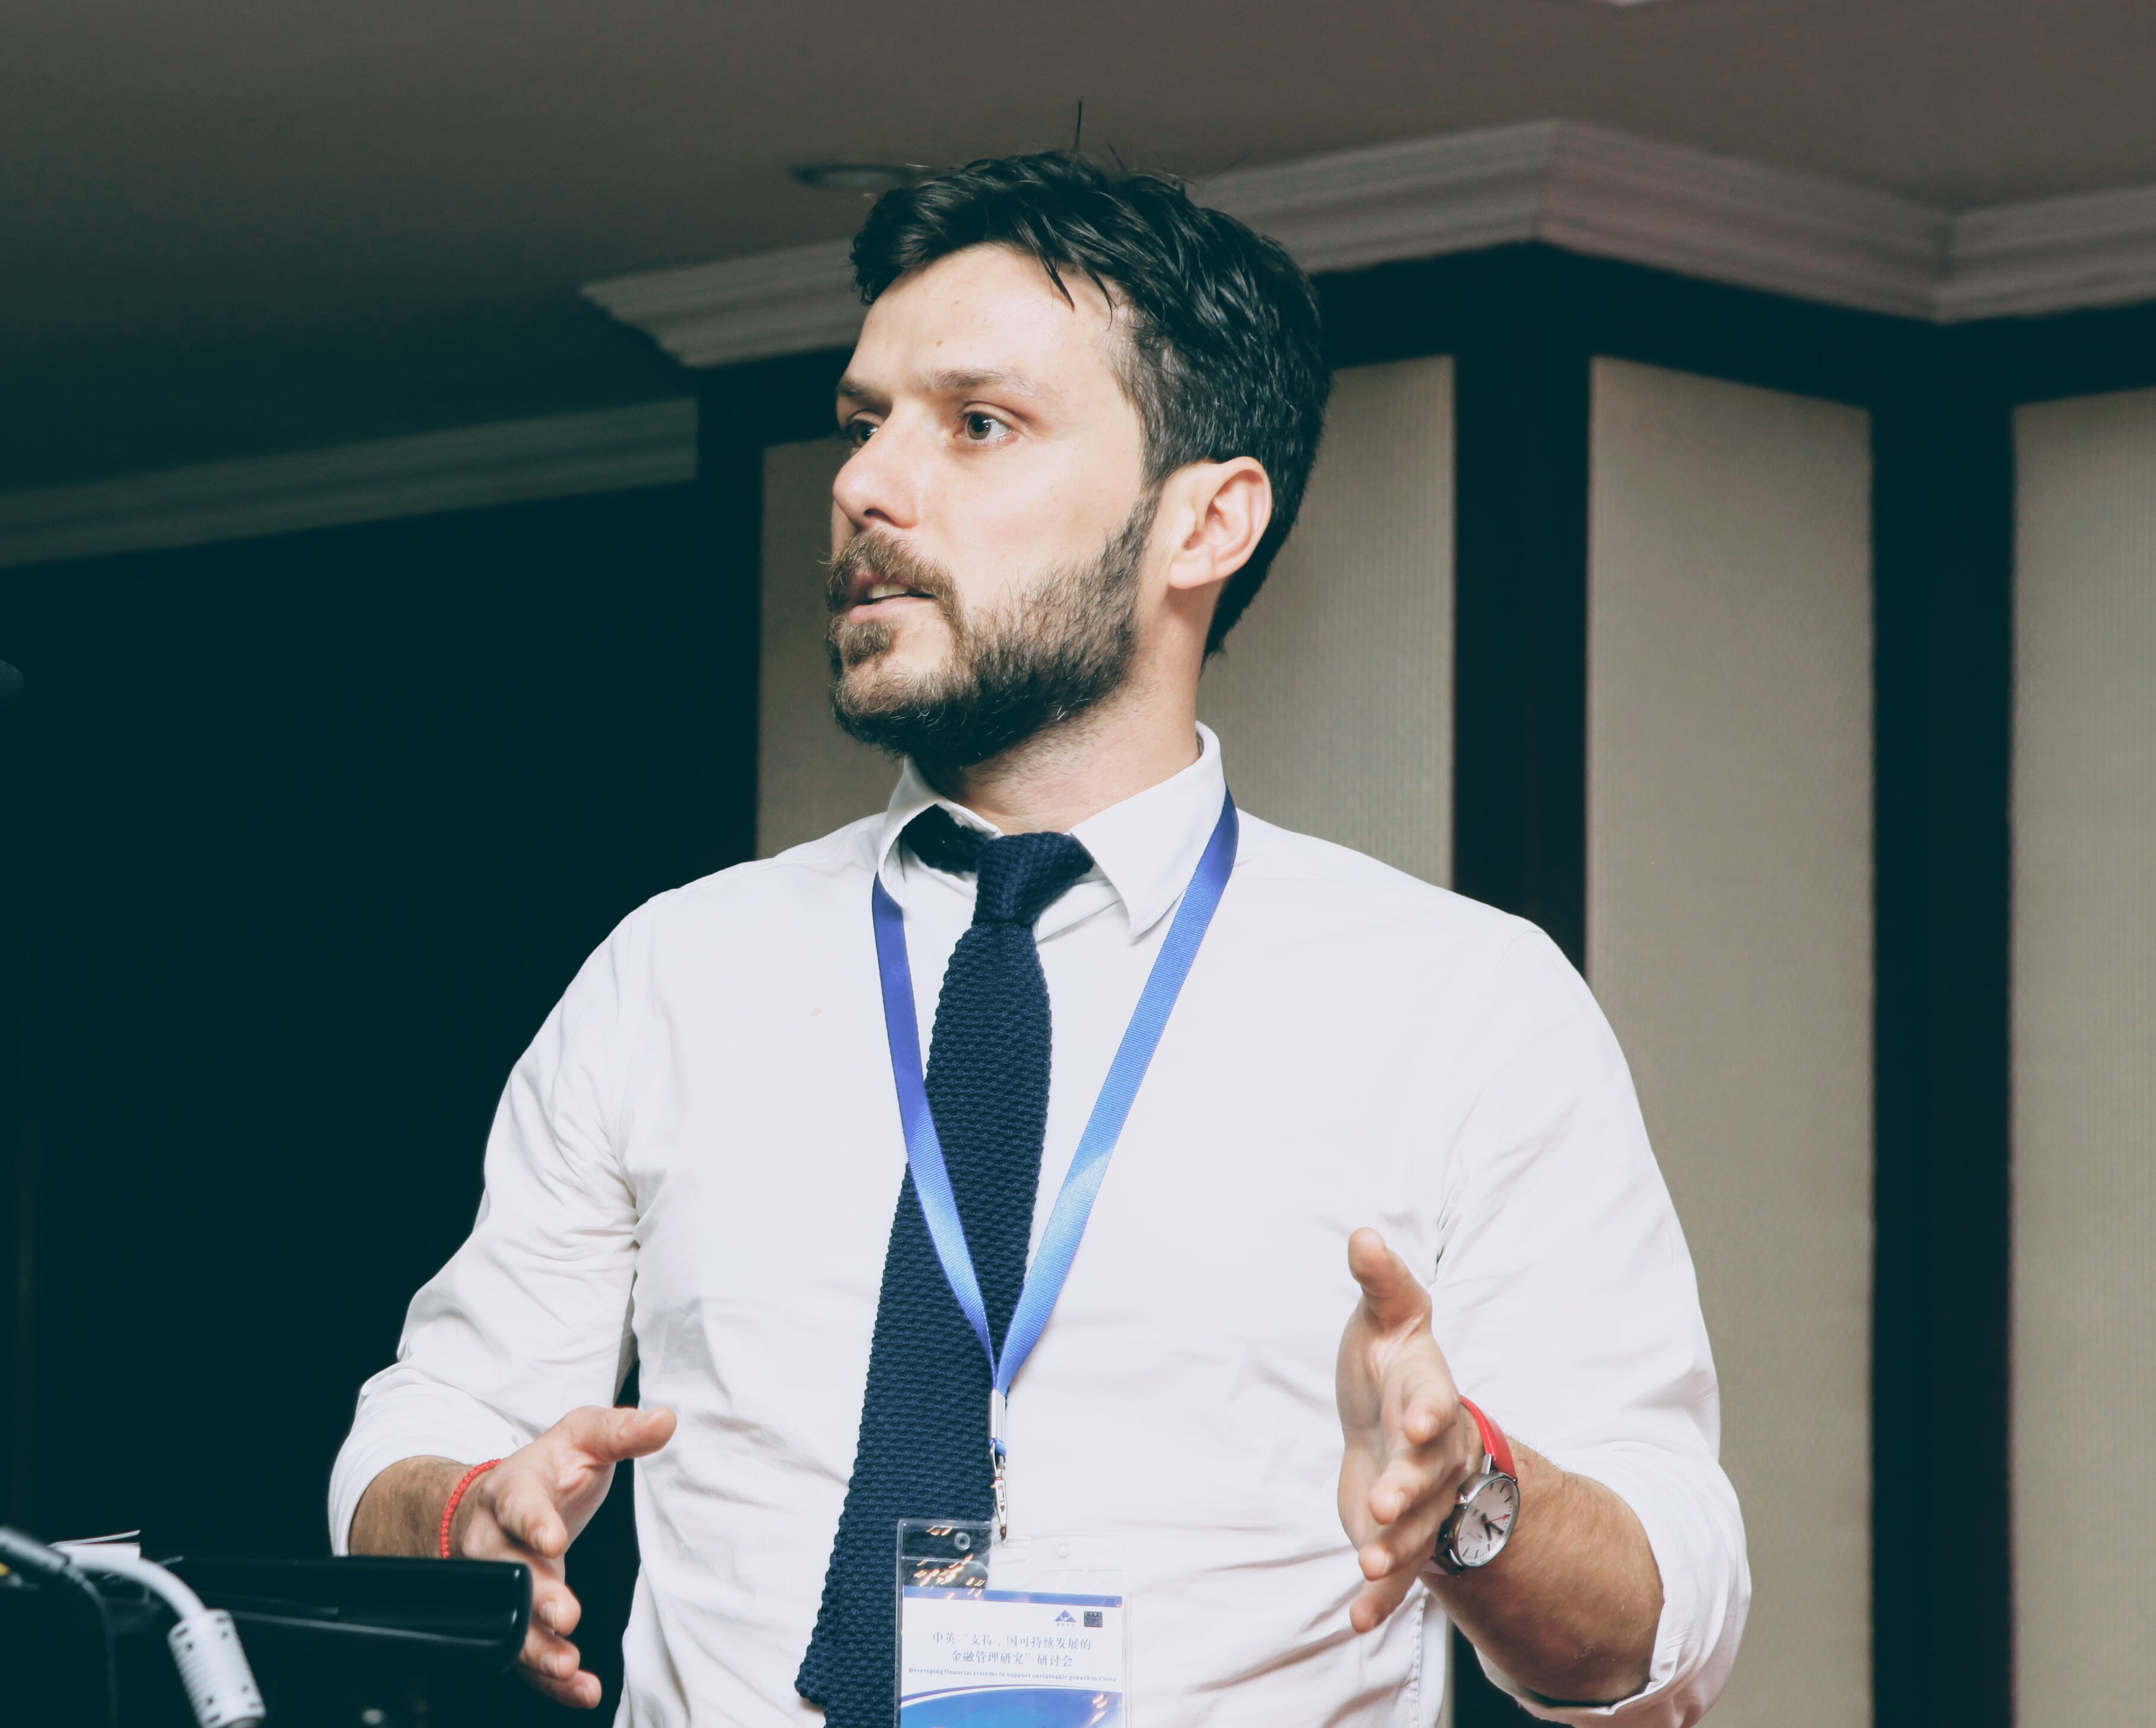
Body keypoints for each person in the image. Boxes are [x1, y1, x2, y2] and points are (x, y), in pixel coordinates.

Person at [333, 152, 1746, 1726]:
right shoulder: (669, 979)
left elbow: (1660, 1627)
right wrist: (457, 1514)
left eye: (978, 425)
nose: (867, 484)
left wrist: (1471, 1494)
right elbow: (435, 1413)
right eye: (865, 421)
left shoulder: (1462, 1008)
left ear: (1205, 521)